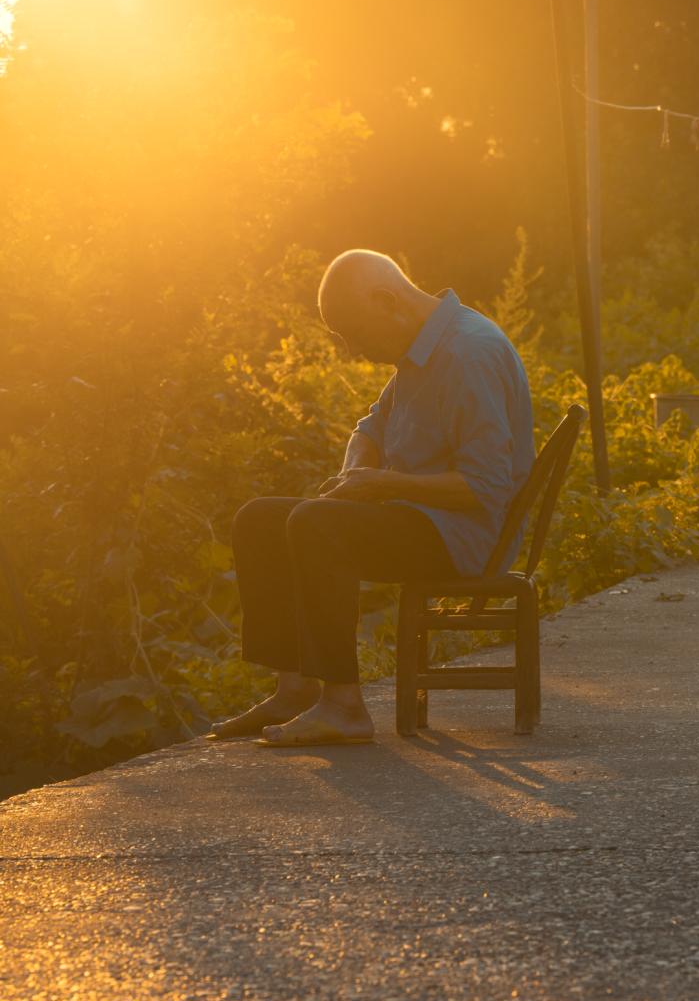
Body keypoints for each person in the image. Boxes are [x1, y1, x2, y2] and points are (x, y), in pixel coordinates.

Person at [210, 250, 534, 745]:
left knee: (317, 525)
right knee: (259, 520)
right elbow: (369, 429)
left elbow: (485, 487)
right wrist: (356, 473)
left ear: (387, 301)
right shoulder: (420, 350)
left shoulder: (467, 354)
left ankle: (344, 707)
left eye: (355, 335)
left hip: (465, 535)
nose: (353, 351)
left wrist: (381, 485)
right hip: (417, 516)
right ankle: (295, 689)